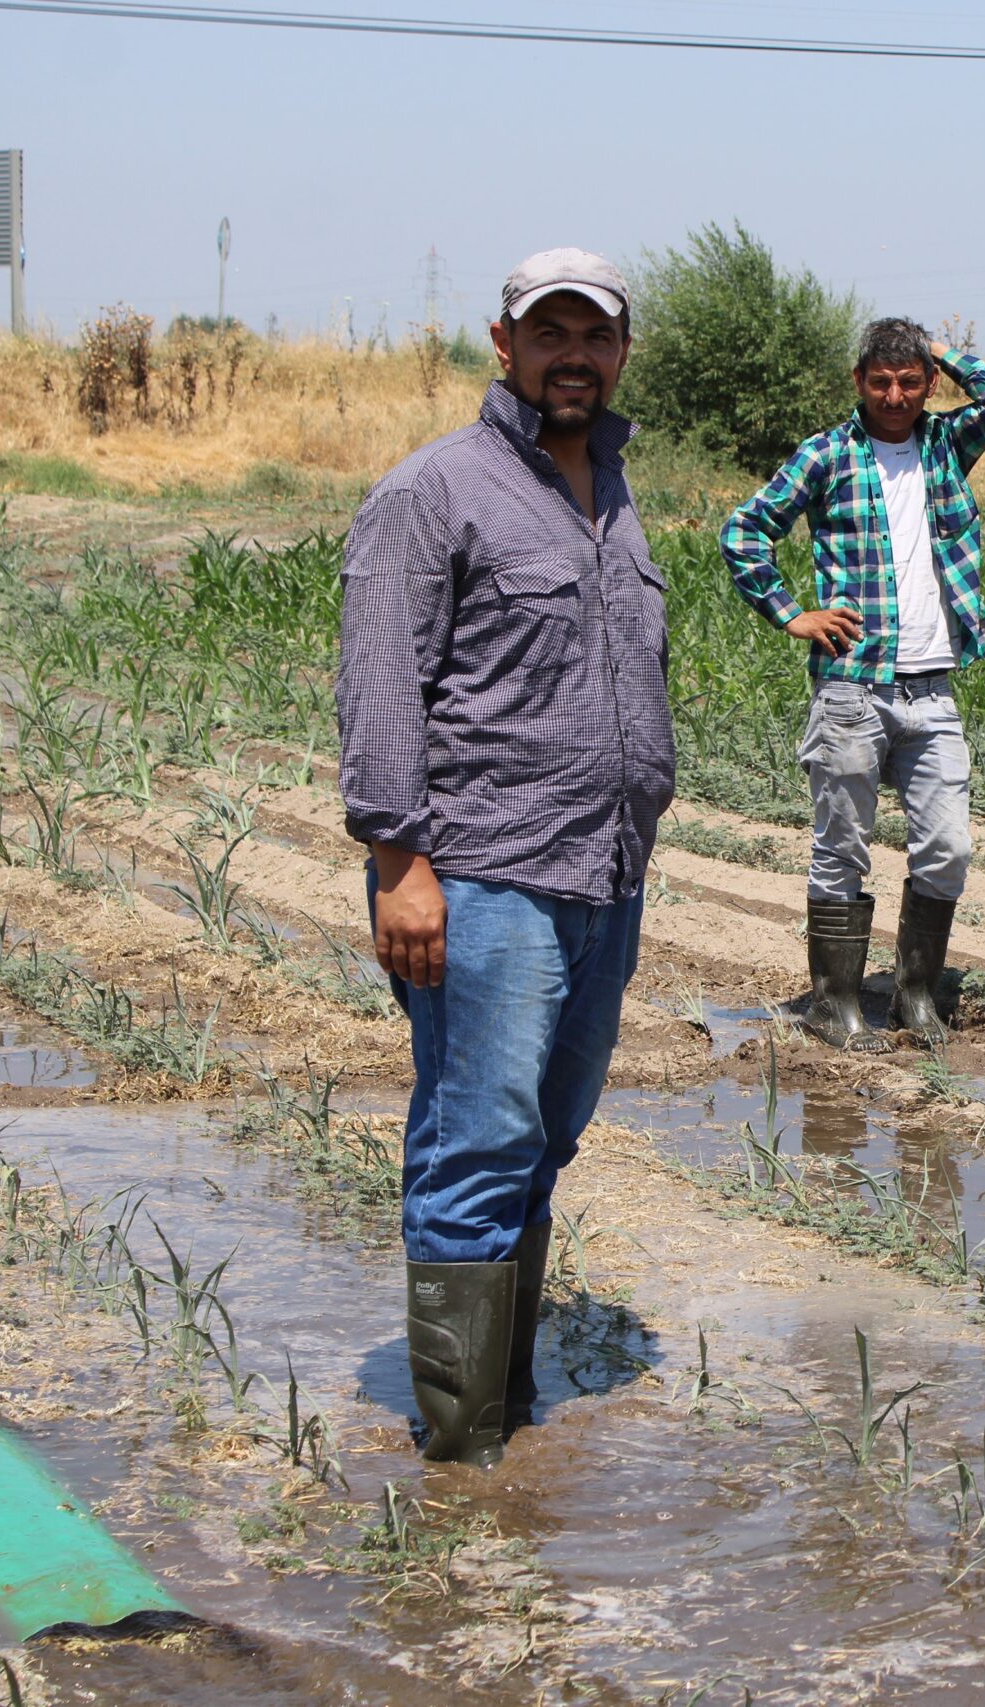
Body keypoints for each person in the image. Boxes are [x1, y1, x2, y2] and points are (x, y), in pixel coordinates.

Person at [337, 248, 675, 1465]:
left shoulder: (615, 495)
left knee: (546, 1137)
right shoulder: (435, 492)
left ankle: (506, 1411)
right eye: (551, 333)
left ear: (621, 351)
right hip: (484, 879)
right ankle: (464, 1454)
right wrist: (400, 867)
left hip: (604, 879)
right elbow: (380, 690)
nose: (573, 355)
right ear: (504, 342)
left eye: (595, 335)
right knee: (478, 1139)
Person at [718, 318, 985, 1048]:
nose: (895, 394)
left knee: (947, 845)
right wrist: (793, 613)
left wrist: (941, 348)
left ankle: (917, 997)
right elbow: (744, 530)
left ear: (926, 382)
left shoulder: (949, 445)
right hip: (852, 689)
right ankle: (837, 1006)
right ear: (859, 381)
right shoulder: (826, 455)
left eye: (910, 381)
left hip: (932, 688)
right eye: (881, 381)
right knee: (842, 847)